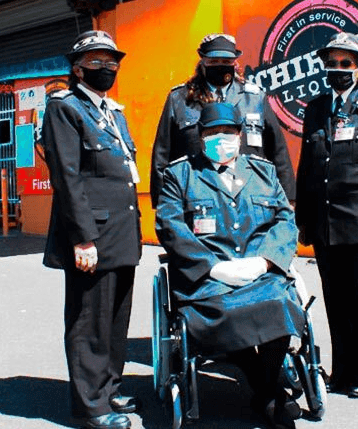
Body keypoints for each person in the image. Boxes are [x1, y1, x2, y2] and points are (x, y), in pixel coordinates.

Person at [156, 102, 305, 429]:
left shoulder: (263, 172)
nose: (221, 138)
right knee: (226, 312)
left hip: (259, 274)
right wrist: (212, 267)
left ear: (240, 135)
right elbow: (169, 225)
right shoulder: (180, 175)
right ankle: (269, 393)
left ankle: (264, 390)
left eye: (228, 131)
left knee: (280, 303)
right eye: (212, 132)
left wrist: (265, 261)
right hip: (209, 283)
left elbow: (285, 220)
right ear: (200, 136)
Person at [42, 30, 142, 429]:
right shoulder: (64, 109)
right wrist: (83, 237)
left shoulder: (112, 112)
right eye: (96, 61)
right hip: (93, 236)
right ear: (77, 68)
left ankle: (110, 388)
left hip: (122, 231)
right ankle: (90, 406)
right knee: (89, 321)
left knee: (116, 318)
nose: (106, 68)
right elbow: (68, 177)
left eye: (112, 61)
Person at [295, 32, 358, 399]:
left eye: (346, 63)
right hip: (326, 222)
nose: (338, 69)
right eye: (333, 63)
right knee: (336, 299)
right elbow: (308, 166)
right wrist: (304, 219)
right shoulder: (317, 108)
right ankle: (343, 372)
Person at [150, 33, 295, 208]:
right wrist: (163, 207)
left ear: (235, 62)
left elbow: (278, 153)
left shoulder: (255, 98)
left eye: (226, 62)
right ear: (203, 61)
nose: (220, 66)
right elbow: (162, 156)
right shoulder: (179, 99)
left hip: (251, 200)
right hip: (197, 200)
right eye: (214, 61)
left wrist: (288, 202)